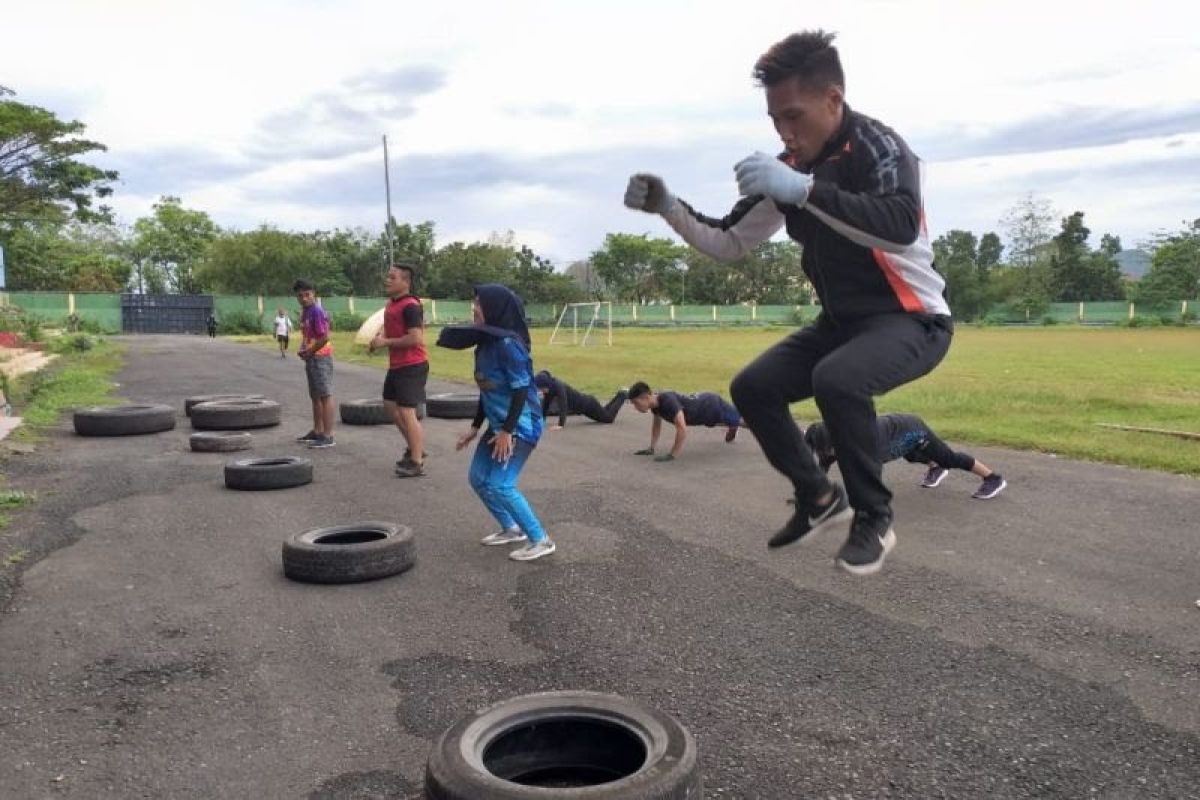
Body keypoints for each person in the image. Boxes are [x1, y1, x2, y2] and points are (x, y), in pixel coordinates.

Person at [624, 30, 951, 575]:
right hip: (841, 323)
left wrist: (805, 191)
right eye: (775, 120)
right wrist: (668, 205)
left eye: (794, 116)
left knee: (837, 379)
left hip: (911, 319)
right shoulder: (788, 168)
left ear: (833, 100)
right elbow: (729, 241)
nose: (785, 132)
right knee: (753, 387)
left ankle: (874, 517)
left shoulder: (881, 148)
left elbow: (897, 228)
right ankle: (818, 498)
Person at [437, 284, 555, 562]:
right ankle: (511, 530)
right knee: (478, 479)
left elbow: (519, 391)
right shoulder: (485, 344)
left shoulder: (508, 346)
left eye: (478, 303)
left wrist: (507, 431)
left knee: (501, 484)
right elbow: (487, 389)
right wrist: (475, 427)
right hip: (500, 425)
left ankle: (541, 539)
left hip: (521, 426)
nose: (473, 308)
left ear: (494, 308)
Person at [801, 414, 1006, 511]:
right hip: (891, 436)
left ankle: (993, 478)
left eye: (833, 449)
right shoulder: (828, 440)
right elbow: (822, 467)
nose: (831, 452)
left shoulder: (863, 442)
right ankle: (935, 468)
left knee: (947, 457)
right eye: (826, 450)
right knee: (910, 456)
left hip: (910, 429)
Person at [369, 263, 429, 477]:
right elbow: (390, 327)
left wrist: (385, 342)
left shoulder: (410, 306)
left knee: (406, 411)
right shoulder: (391, 304)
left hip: (413, 365)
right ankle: (416, 448)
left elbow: (415, 338)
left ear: (405, 282)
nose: (387, 280)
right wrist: (379, 340)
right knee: (389, 406)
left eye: (392, 278)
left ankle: (416, 461)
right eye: (388, 277)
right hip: (397, 365)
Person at [626, 381, 742, 461]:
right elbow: (656, 426)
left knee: (744, 421)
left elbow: (682, 428)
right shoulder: (655, 407)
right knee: (724, 421)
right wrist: (651, 448)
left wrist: (673, 454)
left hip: (711, 405)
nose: (636, 407)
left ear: (646, 397)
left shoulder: (667, 400)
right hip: (702, 415)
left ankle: (741, 423)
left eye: (636, 403)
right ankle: (732, 425)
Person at [293, 279, 336, 449]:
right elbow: (309, 336)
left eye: (307, 294)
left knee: (325, 394)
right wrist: (304, 350)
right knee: (315, 396)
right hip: (311, 356)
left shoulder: (316, 311)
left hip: (321, 357)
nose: (304, 298)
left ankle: (328, 434)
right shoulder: (306, 312)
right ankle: (317, 430)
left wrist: (310, 351)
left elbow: (324, 337)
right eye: (300, 296)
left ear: (314, 294)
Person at [534, 370, 627, 429]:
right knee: (605, 412)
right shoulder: (550, 389)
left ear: (546, 384)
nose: (541, 391)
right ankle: (620, 394)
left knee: (608, 419)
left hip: (588, 406)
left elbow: (563, 405)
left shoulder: (559, 386)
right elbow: (546, 405)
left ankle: (623, 394)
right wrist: (542, 421)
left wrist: (560, 425)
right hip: (587, 405)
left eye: (541, 388)